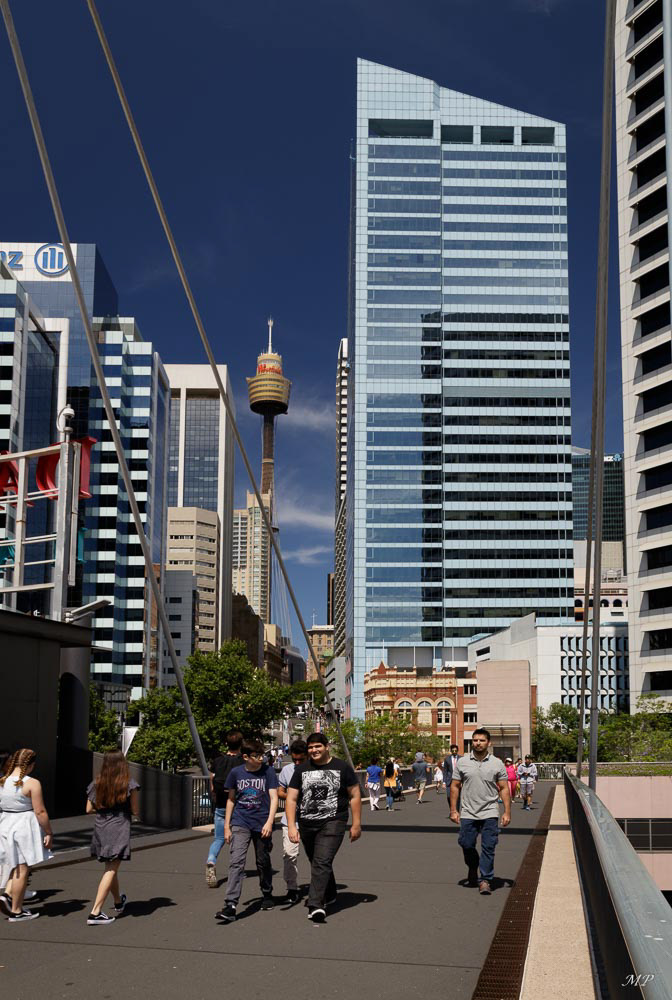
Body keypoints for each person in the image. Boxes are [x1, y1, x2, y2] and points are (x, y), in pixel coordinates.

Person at [285, 732, 361, 923]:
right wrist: (292, 826)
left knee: (321, 860)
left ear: (327, 747)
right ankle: (330, 892)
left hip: (334, 821)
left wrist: (356, 823)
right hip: (307, 823)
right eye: (310, 747)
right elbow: (292, 799)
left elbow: (355, 795)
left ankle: (316, 905)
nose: (314, 750)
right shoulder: (301, 769)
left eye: (318, 746)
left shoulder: (342, 767)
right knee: (317, 860)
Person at [215, 738, 278, 923]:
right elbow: (231, 800)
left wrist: (269, 822)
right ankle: (231, 904)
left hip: (262, 822)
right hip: (241, 822)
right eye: (257, 756)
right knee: (236, 861)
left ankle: (267, 893)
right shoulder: (236, 773)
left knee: (262, 861)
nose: (261, 759)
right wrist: (227, 826)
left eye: (262, 755)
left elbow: (274, 798)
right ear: (245, 757)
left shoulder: (268, 772)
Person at [450, 728, 511, 896]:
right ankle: (473, 866)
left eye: (482, 740)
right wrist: (453, 810)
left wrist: (507, 812)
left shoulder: (497, 763)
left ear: (488, 743)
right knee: (466, 843)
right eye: (475, 740)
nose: (478, 743)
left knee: (489, 846)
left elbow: (504, 788)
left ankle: (485, 880)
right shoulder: (462, 762)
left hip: (490, 811)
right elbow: (454, 786)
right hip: (468, 812)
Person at [86, 750, 139, 925]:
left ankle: (118, 901)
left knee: (111, 866)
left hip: (101, 826)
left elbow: (88, 809)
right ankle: (95, 912)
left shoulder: (97, 782)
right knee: (111, 869)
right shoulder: (129, 783)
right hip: (119, 826)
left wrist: (104, 808)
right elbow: (135, 810)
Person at [0, 749, 53, 922]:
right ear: (30, 765)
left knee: (14, 867)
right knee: (22, 870)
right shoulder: (32, 783)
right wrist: (48, 832)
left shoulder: (2, 781)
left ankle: (11, 900)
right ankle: (16, 910)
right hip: (23, 826)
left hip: (5, 823)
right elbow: (40, 811)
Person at [206, 729, 244, 888]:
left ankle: (211, 860)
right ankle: (235, 869)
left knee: (219, 838)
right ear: (241, 744)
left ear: (226, 744)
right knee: (238, 838)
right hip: (238, 806)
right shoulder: (243, 761)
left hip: (221, 804)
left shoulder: (218, 761)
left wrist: (213, 792)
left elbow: (212, 778)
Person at [277, 739, 308, 903]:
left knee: (318, 857)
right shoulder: (287, 770)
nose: (297, 763)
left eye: (300, 760)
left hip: (313, 820)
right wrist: (291, 796)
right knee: (289, 854)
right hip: (291, 820)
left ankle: (322, 888)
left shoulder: (317, 769)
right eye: (294, 759)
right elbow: (279, 791)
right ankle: (291, 888)